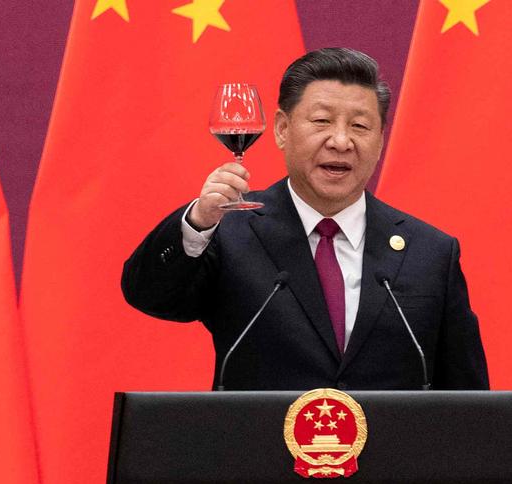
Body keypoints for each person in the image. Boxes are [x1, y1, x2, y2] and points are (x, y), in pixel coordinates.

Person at [121, 48, 489, 391]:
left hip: (392, 458)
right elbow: (151, 297)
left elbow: (466, 396)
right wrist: (199, 221)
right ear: (282, 129)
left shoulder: (432, 252)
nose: (341, 141)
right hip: (259, 455)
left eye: (360, 126)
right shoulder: (232, 233)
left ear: (380, 140)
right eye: (322, 121)